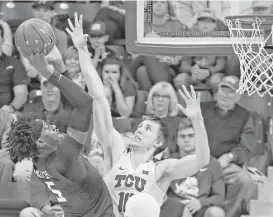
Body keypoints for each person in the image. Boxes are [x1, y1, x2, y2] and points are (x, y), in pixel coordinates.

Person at [65, 12, 210, 217]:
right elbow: (98, 97)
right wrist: (81, 50)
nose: (140, 129)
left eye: (148, 128)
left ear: (158, 142)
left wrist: (197, 120)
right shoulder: (115, 149)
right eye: (141, 126)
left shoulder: (162, 170)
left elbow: (202, 160)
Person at [6, 28, 114, 217]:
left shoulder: (41, 160)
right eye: (47, 127)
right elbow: (84, 102)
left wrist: (60, 65)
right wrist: (48, 72)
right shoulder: (62, 155)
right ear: (39, 142)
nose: (53, 127)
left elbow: (74, 103)